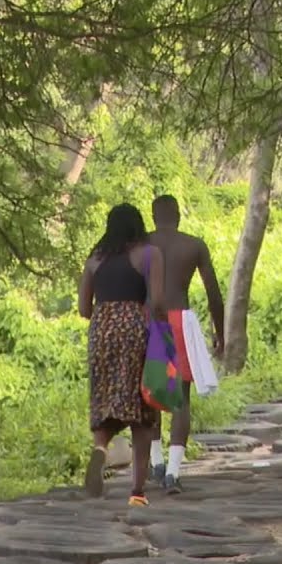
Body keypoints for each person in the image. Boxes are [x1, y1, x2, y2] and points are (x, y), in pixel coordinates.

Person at [78, 203, 167, 506]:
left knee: (105, 400)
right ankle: (137, 492)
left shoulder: (95, 259)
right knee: (141, 412)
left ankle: (101, 450)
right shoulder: (149, 254)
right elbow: (156, 302)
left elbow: (83, 309)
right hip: (134, 329)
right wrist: (163, 335)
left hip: (101, 329)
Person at [145, 194, 224, 495]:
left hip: (149, 319)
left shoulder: (141, 244)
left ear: (153, 217)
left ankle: (156, 462)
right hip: (180, 320)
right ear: (178, 215)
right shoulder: (193, 245)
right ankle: (173, 473)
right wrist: (221, 333)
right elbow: (214, 293)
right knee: (181, 397)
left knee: (150, 394)